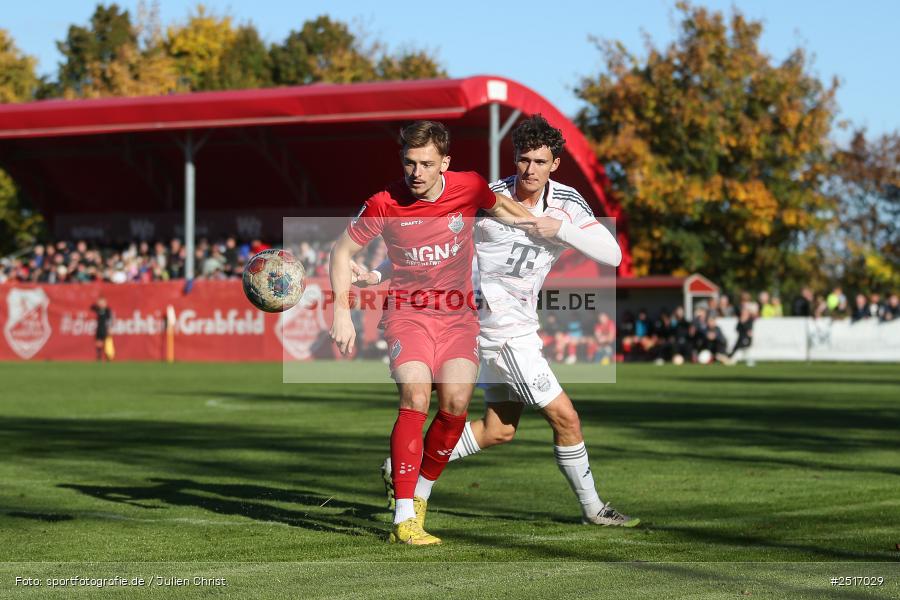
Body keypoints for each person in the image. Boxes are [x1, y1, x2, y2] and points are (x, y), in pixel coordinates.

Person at [358, 115, 636, 527]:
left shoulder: (567, 203)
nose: (530, 170)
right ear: (514, 158)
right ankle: (594, 509)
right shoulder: (489, 197)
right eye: (523, 159)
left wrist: (561, 230)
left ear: (555, 164)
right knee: (566, 417)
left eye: (540, 162)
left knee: (498, 429)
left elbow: (612, 254)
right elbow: (425, 247)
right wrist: (378, 273)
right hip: (490, 329)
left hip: (515, 325)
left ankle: (399, 468)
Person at [329, 120, 531, 545]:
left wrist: (549, 229)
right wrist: (342, 312)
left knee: (455, 404)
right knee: (416, 397)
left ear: (445, 163)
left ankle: (419, 495)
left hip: (458, 317)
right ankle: (403, 518)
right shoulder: (384, 202)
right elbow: (340, 251)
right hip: (407, 315)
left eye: (425, 163)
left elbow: (503, 208)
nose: (416, 172)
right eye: (409, 163)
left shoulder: (469, 187)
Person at [90, 296, 113, 361]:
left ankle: (108, 355)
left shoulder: (107, 310)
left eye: (103, 302)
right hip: (99, 327)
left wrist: (109, 328)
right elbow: (91, 307)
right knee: (98, 342)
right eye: (100, 302)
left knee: (106, 342)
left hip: (105, 328)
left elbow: (110, 319)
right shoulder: (98, 309)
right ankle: (99, 355)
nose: (102, 304)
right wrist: (97, 304)